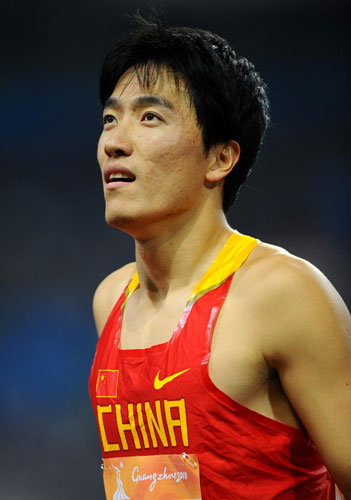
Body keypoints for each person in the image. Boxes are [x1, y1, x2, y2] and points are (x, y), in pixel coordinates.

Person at [89, 15, 351, 500]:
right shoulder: (111, 301)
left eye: (150, 117)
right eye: (110, 118)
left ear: (220, 158)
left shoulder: (281, 293)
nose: (114, 142)